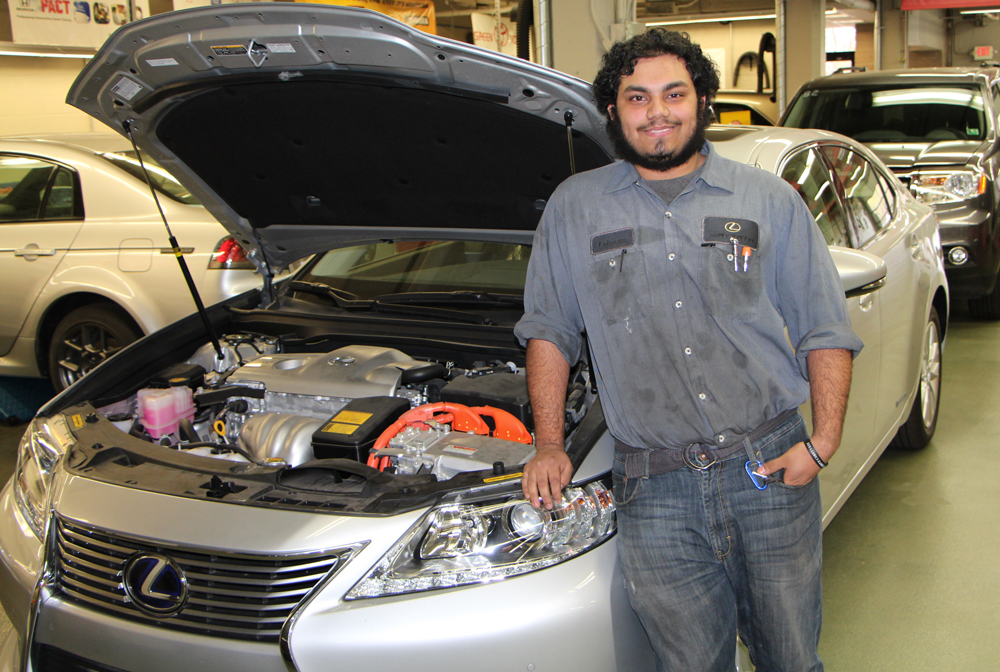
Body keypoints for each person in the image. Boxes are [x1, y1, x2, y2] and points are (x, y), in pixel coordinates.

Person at [513, 29, 864, 672]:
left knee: (790, 658)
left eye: (674, 94)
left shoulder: (768, 200)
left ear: (702, 100)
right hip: (655, 488)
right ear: (613, 111)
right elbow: (550, 330)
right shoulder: (575, 208)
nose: (658, 112)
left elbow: (823, 326)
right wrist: (549, 443)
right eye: (637, 97)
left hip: (768, 467)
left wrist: (824, 440)